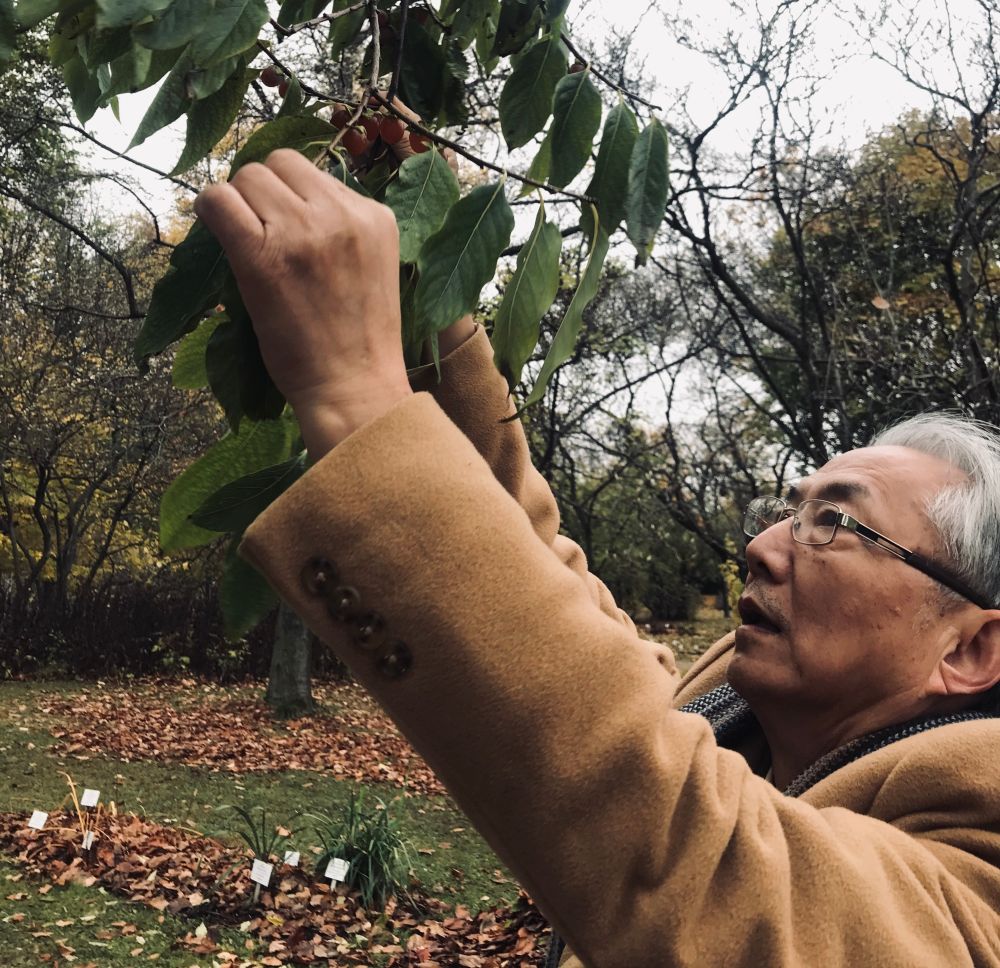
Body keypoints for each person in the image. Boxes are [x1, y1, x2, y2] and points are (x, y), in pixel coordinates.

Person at [193, 146, 1000, 967]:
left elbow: (714, 876)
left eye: (836, 523)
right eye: (790, 512)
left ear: (970, 647)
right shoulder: (735, 709)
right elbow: (540, 588)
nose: (762, 547)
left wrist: (359, 401)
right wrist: (422, 300)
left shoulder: (981, 834)